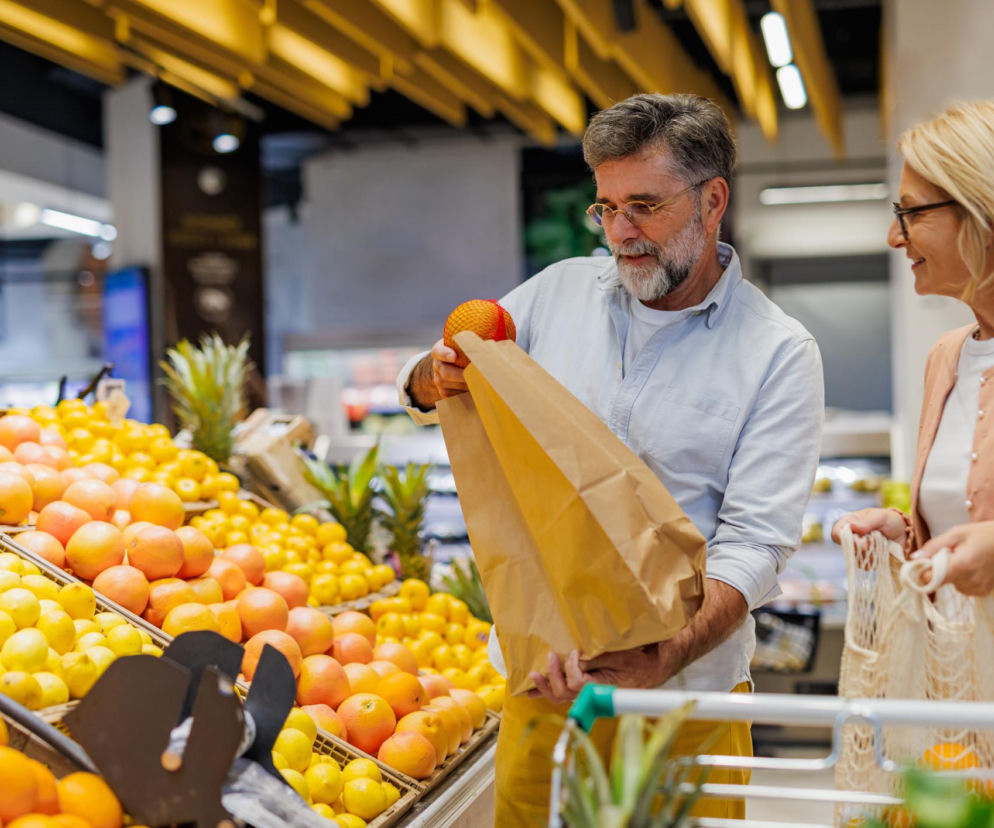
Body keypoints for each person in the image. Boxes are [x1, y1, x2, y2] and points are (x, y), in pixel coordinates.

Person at [398, 92, 824, 824]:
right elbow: (429, 379)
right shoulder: (556, 294)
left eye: (645, 207)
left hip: (688, 704)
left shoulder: (779, 353)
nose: (621, 233)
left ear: (712, 199)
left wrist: (665, 656)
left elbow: (754, 543)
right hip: (544, 691)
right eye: (606, 208)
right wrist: (429, 378)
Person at [832, 100, 994, 578]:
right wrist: (901, 533)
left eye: (912, 213)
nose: (894, 237)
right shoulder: (947, 358)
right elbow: (958, 528)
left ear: (981, 210)